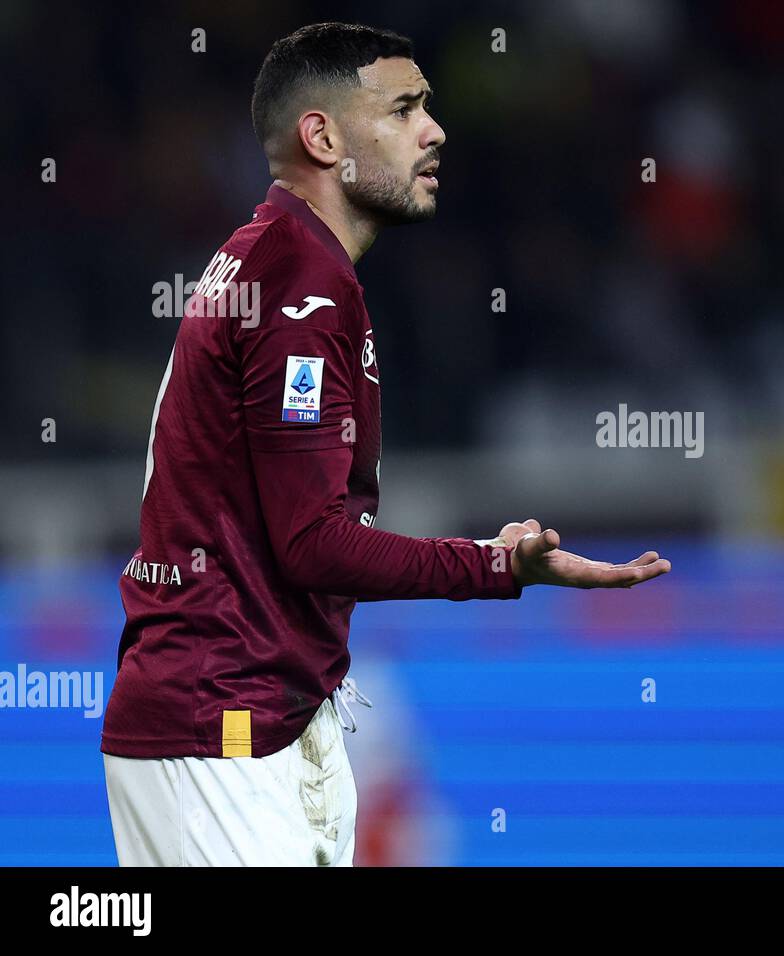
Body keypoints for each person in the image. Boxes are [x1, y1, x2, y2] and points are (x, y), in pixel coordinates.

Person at [100, 21, 670, 867]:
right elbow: (311, 543)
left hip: (258, 716)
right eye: (402, 109)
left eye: (427, 108)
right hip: (220, 721)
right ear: (322, 136)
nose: (433, 130)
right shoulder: (299, 285)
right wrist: (497, 567)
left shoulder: (274, 260)